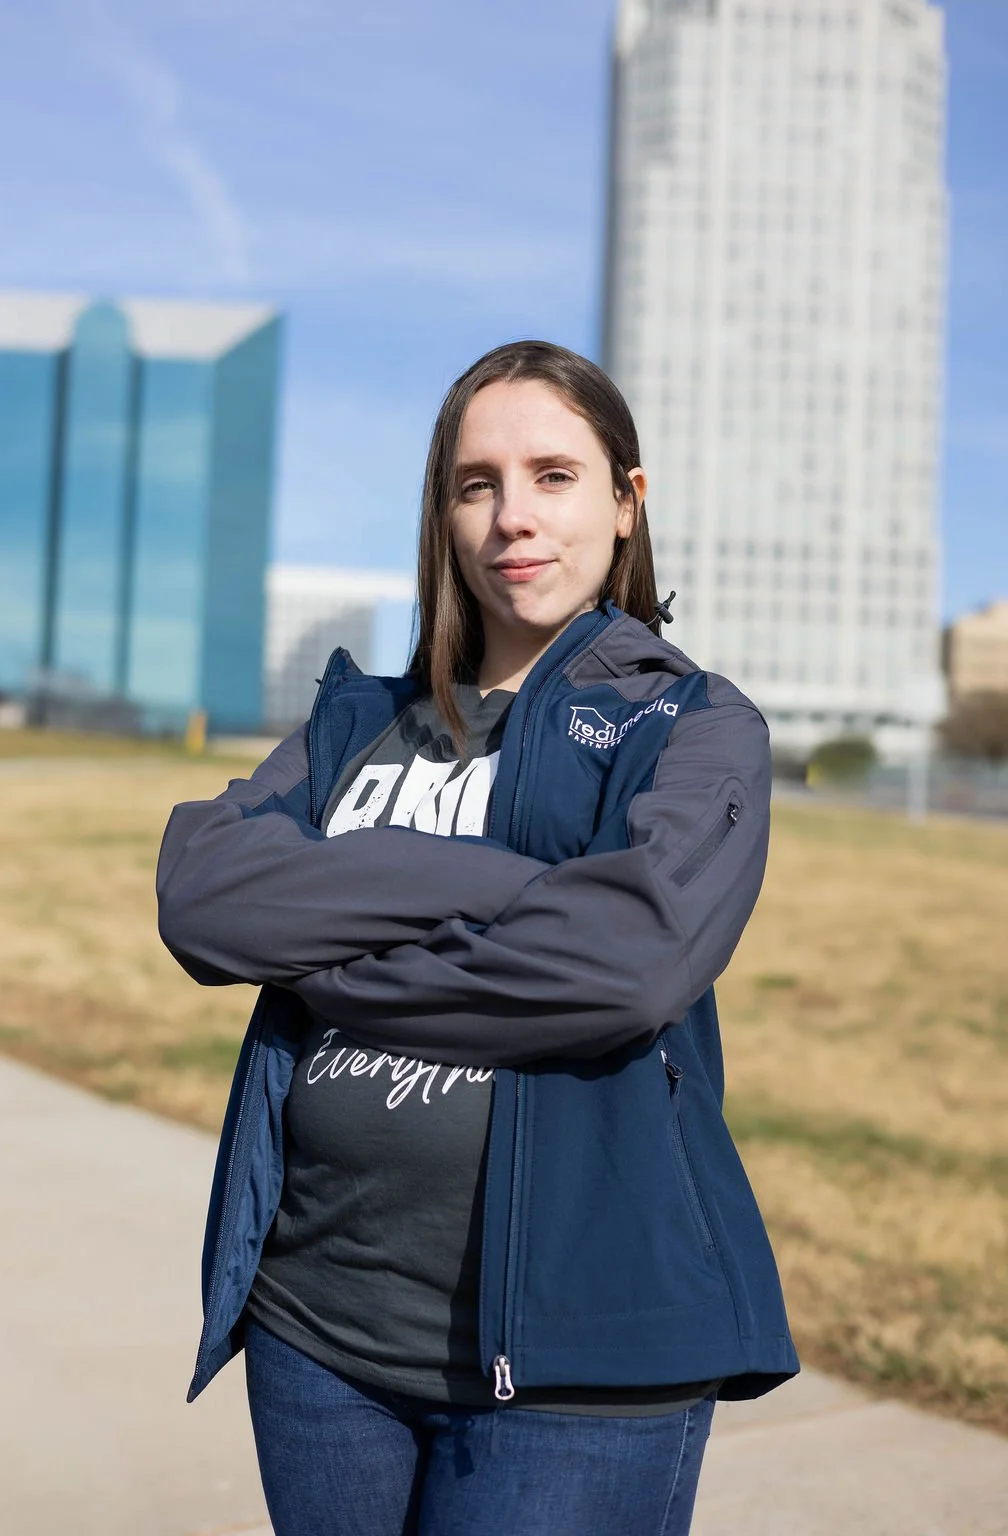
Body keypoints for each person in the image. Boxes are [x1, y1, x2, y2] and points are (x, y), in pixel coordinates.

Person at [156, 340, 799, 1536]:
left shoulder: (691, 727)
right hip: (316, 1329)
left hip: (576, 1365)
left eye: (554, 475)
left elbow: (625, 966)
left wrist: (330, 961)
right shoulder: (357, 723)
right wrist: (502, 885)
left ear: (625, 500)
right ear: (443, 516)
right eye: (475, 483)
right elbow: (202, 895)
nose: (514, 517)